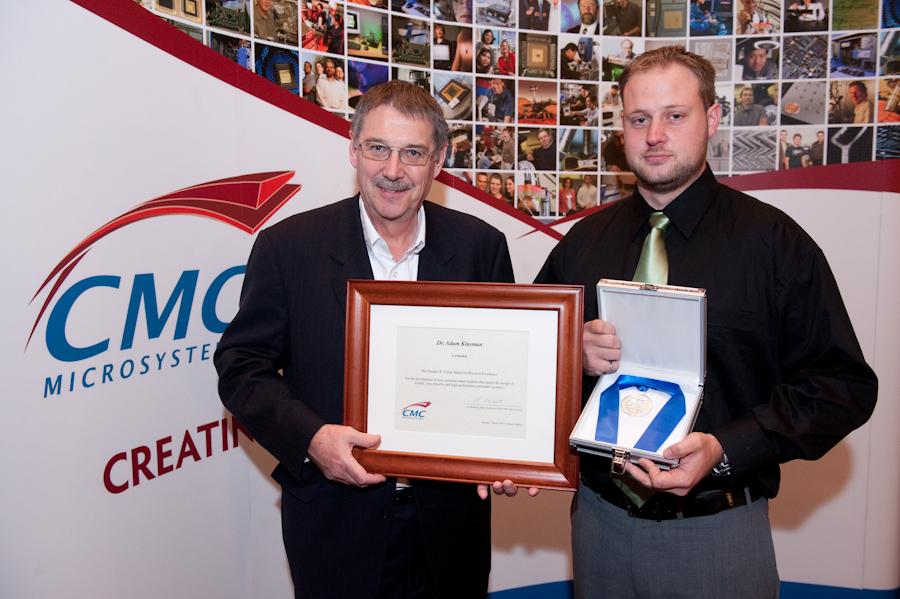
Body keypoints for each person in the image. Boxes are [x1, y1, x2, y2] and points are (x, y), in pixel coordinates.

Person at [534, 45, 876, 599]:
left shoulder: (773, 244)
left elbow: (843, 387)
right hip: (598, 526)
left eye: (675, 115)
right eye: (639, 119)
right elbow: (527, 358)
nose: (655, 135)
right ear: (622, 127)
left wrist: (727, 448)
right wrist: (566, 352)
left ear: (712, 119)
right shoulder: (582, 244)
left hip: (718, 531)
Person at [215, 80, 532, 599]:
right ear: (353, 149)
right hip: (336, 528)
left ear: (439, 160)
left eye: (413, 153)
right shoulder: (288, 247)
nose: (392, 170)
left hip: (450, 529)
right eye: (378, 148)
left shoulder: (481, 247)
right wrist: (313, 439)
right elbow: (240, 366)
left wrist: (507, 450)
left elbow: (505, 373)